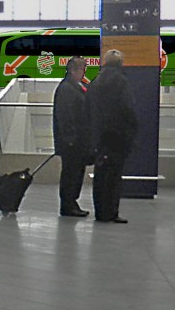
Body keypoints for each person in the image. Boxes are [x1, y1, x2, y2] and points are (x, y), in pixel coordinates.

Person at [88, 49, 138, 224]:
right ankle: (111, 212)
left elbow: (89, 109)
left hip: (100, 136)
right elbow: (127, 108)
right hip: (118, 136)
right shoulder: (122, 82)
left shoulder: (96, 81)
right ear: (120, 63)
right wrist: (132, 129)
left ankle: (100, 212)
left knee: (101, 175)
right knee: (114, 176)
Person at [53, 57, 90, 217]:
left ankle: (72, 202)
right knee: (71, 173)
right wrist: (70, 138)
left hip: (77, 140)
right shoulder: (67, 89)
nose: (83, 73)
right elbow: (65, 116)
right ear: (73, 70)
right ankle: (68, 204)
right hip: (72, 142)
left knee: (76, 172)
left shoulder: (75, 86)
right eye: (82, 70)